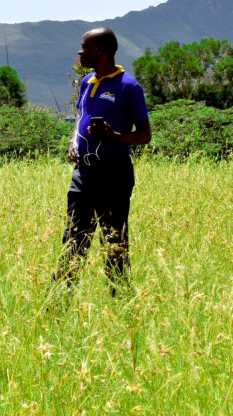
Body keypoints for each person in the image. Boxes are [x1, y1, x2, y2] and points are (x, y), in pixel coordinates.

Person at [55, 26, 152, 292]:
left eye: (84, 46)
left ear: (101, 49)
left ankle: (120, 306)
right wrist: (73, 139)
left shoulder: (128, 86)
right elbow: (79, 116)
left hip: (114, 174)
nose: (79, 51)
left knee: (114, 244)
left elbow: (145, 135)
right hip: (83, 173)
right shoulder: (86, 82)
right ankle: (55, 310)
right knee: (73, 240)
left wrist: (113, 135)